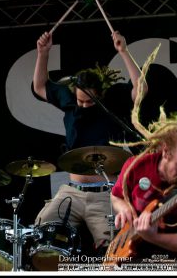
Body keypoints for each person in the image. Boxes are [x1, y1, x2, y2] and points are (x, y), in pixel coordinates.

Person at [31, 29, 147, 263]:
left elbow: (141, 90)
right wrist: (42, 53)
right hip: (71, 190)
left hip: (106, 194)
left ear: (101, 95)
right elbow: (40, 87)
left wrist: (124, 51)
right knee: (41, 234)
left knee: (118, 253)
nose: (83, 106)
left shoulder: (114, 98)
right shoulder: (69, 97)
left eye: (89, 101)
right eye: (80, 100)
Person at [109, 63, 177, 264]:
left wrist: (154, 237)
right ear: (165, 152)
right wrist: (124, 209)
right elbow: (116, 197)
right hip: (132, 248)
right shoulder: (136, 165)